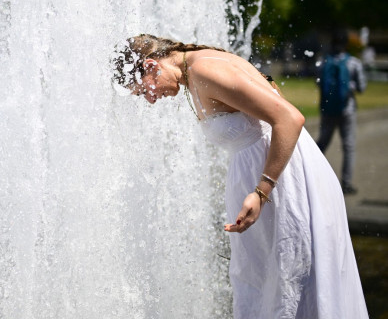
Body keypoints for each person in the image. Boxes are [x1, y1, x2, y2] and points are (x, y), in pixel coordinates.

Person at [112, 34, 368, 318]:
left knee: (295, 283)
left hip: (285, 187)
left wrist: (262, 191)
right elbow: (268, 101)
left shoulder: (203, 70)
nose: (150, 99)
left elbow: (289, 118)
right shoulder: (196, 71)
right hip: (275, 186)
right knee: (272, 287)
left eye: (142, 91)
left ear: (151, 65)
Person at [317, 31, 367, 195]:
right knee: (348, 146)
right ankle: (346, 183)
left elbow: (318, 83)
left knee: (321, 144)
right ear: (346, 44)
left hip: (327, 110)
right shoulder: (354, 63)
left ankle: (313, 177)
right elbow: (362, 87)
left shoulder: (324, 61)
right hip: (348, 109)